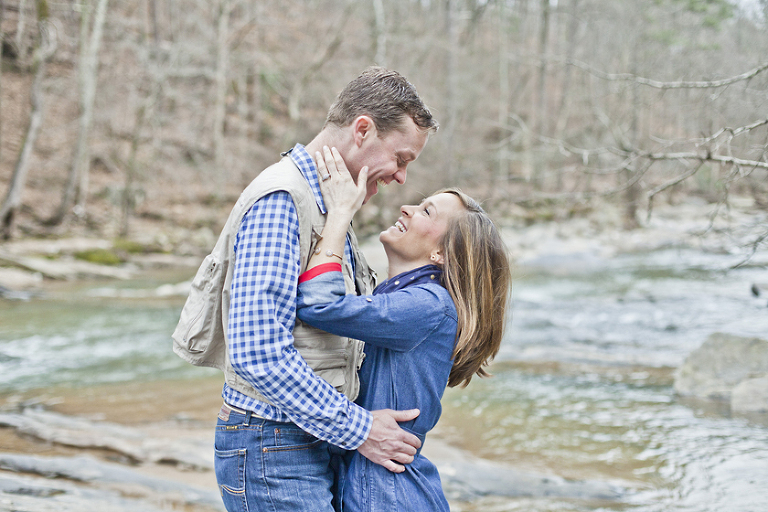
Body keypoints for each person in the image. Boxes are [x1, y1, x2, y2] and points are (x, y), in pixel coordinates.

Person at [212, 67, 438, 511]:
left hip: (303, 439)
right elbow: (257, 353)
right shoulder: (283, 199)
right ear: (362, 130)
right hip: (271, 445)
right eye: (402, 158)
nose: (400, 178)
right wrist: (361, 430)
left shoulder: (333, 202)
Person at [296, 147, 511, 511]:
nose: (406, 208)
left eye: (426, 211)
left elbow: (318, 303)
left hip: (391, 498)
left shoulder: (428, 306)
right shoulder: (405, 300)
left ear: (442, 254)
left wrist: (339, 215)